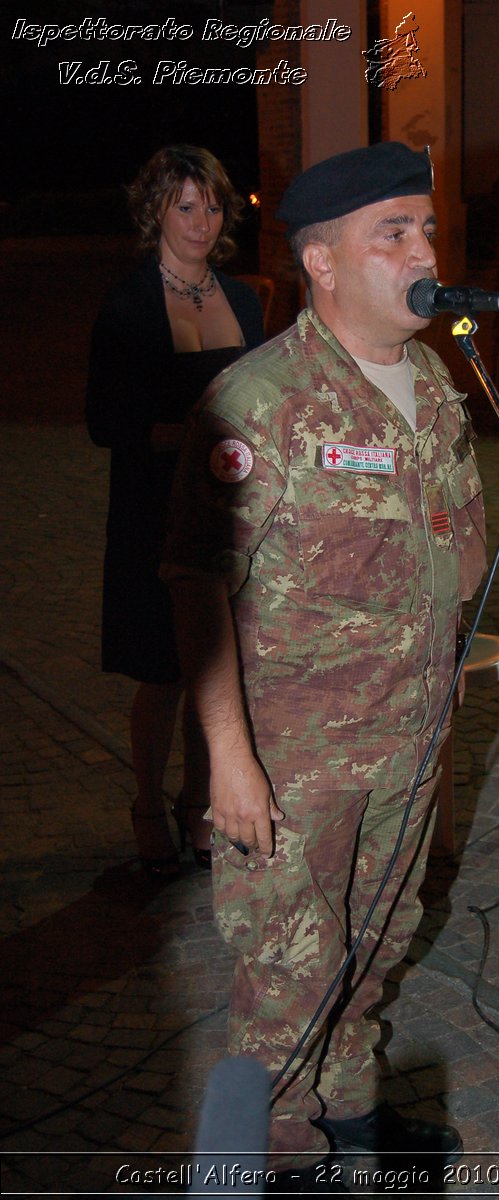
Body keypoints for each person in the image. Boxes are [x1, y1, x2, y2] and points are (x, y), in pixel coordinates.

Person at [161, 142, 486, 1184]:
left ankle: (346, 1111)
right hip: (294, 761)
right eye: (392, 232)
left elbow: (459, 555)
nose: (422, 250)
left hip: (410, 739)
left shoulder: (434, 387)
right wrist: (229, 761)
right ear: (325, 263)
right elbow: (194, 584)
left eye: (425, 228)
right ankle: (277, 1153)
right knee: (290, 973)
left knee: (382, 940)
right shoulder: (259, 403)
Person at [86, 145, 264, 877]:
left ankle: (201, 801)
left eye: (212, 205)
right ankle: (146, 803)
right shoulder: (126, 307)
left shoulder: (246, 299)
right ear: (156, 209)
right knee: (162, 672)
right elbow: (103, 422)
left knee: (217, 668)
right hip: (153, 509)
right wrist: (183, 435)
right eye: (185, 205)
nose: (200, 220)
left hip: (230, 510)